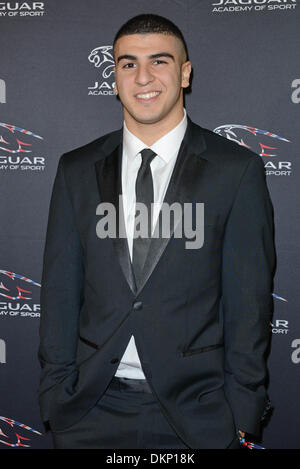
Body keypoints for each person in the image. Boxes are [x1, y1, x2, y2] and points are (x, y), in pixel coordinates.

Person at [38, 14, 276, 449]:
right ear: (114, 78)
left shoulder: (236, 171)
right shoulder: (76, 170)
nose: (142, 77)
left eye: (159, 62)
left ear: (185, 73)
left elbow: (250, 303)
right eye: (128, 64)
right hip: (88, 410)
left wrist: (241, 412)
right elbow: (59, 290)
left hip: (198, 413)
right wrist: (56, 391)